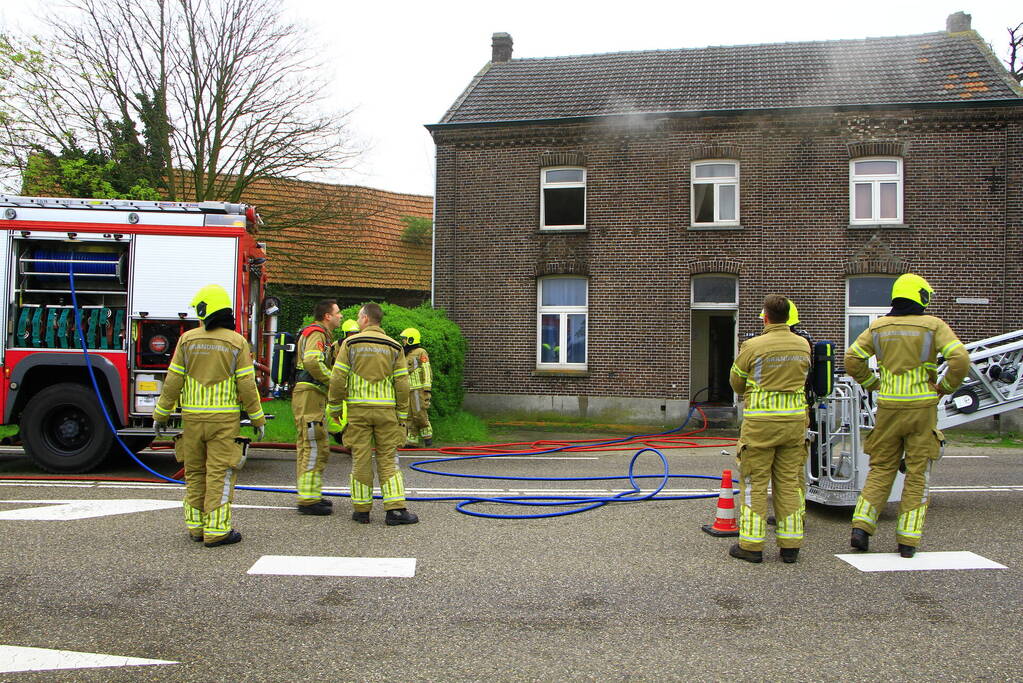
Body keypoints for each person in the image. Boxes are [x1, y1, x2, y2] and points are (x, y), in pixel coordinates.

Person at [845, 273, 969, 557]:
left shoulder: (878, 327)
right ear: (921, 297)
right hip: (922, 408)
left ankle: (861, 528)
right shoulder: (933, 326)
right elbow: (960, 358)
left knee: (881, 469)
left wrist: (873, 384)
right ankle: (907, 541)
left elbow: (852, 359)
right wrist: (945, 387)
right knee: (916, 474)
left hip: (888, 406)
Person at [153, 284, 265, 547]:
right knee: (220, 473)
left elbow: (173, 381)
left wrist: (161, 414)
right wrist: (257, 418)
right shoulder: (237, 342)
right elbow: (247, 386)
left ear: (206, 309)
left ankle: (196, 528)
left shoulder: (187, 339)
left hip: (192, 420)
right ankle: (217, 531)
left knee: (194, 472)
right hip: (223, 422)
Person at [729, 294, 811, 564]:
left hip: (760, 426)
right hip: (794, 423)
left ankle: (751, 546)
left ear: (765, 316)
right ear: (788, 316)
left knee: (754, 483)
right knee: (788, 482)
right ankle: (790, 546)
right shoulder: (803, 345)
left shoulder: (752, 346)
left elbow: (736, 382)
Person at [327, 303, 419, 525]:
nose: (358, 321)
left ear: (366, 319)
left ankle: (361, 511)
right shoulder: (394, 346)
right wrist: (402, 415)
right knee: (388, 459)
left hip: (358, 411)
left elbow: (338, 378)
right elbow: (402, 383)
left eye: (359, 317)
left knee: (361, 459)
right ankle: (395, 510)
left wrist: (336, 407)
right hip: (386, 412)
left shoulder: (350, 343)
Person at [292, 299, 342, 515]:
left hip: (311, 394)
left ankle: (310, 495)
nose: (341, 316)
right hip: (309, 394)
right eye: (337, 313)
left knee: (313, 444)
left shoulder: (322, 335)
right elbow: (312, 361)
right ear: (327, 316)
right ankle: (308, 501)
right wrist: (333, 380)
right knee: (313, 444)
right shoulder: (317, 334)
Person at [326, 319, 360, 443]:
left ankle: (348, 436)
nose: (353, 336)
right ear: (345, 334)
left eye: (356, 333)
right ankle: (335, 432)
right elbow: (329, 362)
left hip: (353, 383)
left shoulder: (360, 346)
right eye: (351, 334)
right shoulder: (336, 346)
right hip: (339, 380)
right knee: (333, 406)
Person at [401, 327, 434, 448]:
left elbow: (426, 369)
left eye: (405, 339)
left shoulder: (421, 352)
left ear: (411, 339)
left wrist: (427, 389)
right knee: (408, 415)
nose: (403, 341)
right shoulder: (404, 353)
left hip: (418, 389)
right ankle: (412, 440)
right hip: (408, 389)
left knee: (419, 413)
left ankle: (427, 436)